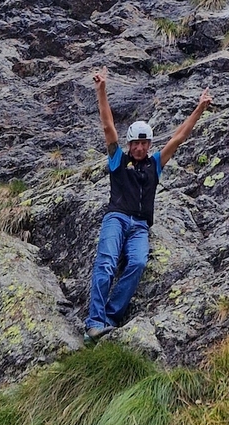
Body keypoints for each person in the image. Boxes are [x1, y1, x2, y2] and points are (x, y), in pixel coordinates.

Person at [84, 69, 212, 340]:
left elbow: (178, 138)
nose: (140, 148)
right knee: (106, 265)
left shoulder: (155, 164)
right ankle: (94, 322)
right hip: (116, 218)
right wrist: (101, 90)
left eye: (144, 143)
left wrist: (199, 108)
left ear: (149, 144)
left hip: (140, 225)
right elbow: (108, 126)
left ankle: (109, 317)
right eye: (136, 143)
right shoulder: (118, 159)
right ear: (129, 145)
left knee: (139, 263)